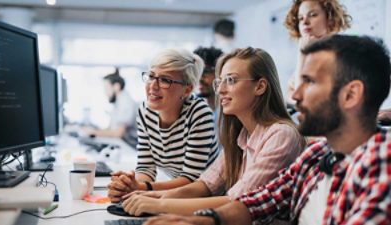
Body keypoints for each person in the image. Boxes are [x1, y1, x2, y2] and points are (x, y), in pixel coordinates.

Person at [143, 35, 391, 225]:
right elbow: (258, 202)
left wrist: (161, 203)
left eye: (310, 82)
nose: (295, 94)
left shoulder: (382, 162)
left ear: (351, 94)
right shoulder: (316, 156)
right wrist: (205, 220)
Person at [120, 47, 304, 220]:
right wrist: (148, 195)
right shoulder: (241, 135)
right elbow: (205, 185)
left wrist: (158, 204)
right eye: (220, 81)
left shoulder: (281, 135)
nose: (221, 90)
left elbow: (238, 202)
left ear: (260, 86)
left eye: (231, 80)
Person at [107, 49, 220, 200]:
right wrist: (130, 187)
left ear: (187, 90)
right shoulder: (145, 111)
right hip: (175, 194)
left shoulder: (199, 113)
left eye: (165, 80)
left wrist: (141, 188)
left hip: (204, 198)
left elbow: (191, 179)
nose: (153, 86)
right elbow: (146, 168)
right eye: (151, 76)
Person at [284, 0, 351, 104]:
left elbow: (302, 98)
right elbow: (291, 94)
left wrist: (302, 53)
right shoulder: (311, 56)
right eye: (300, 18)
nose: (305, 22)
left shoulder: (341, 54)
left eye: (313, 15)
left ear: (330, 18)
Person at [83, 69, 138, 147]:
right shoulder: (119, 101)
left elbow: (118, 133)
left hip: (130, 146)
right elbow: (111, 129)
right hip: (124, 144)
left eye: (106, 88)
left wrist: (94, 132)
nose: (105, 92)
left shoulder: (125, 103)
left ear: (116, 86)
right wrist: (94, 130)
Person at [193, 46, 223, 116]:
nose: (199, 79)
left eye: (205, 72)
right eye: (195, 72)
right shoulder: (188, 107)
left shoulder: (232, 110)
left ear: (220, 73)